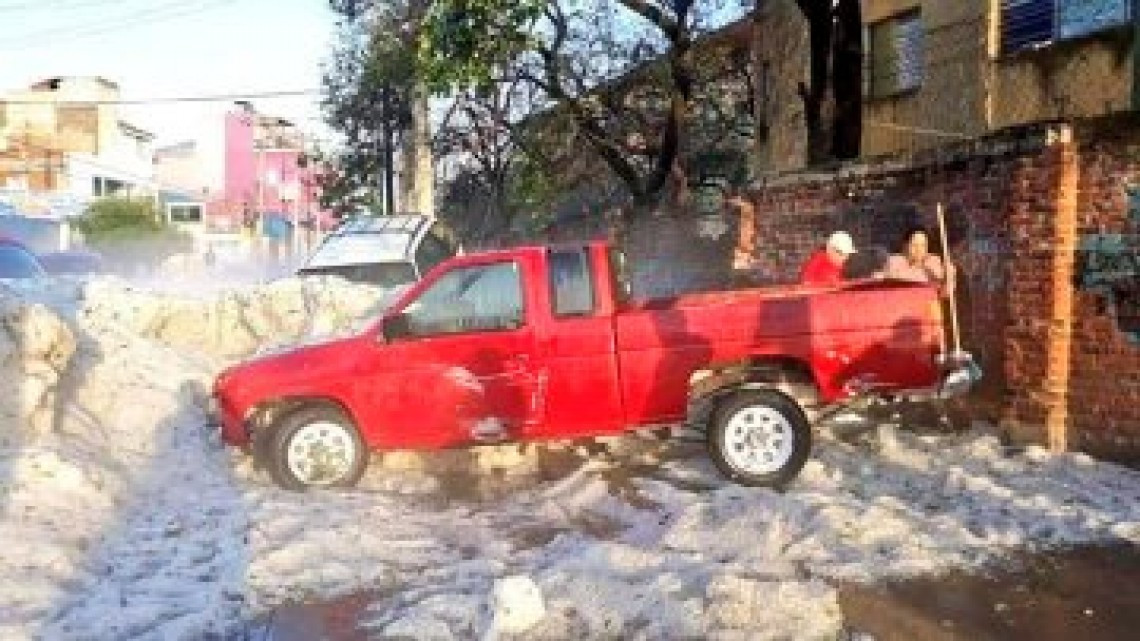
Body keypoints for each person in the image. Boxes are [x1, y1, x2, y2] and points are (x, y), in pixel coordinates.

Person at [882, 226, 955, 296]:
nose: (919, 250)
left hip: (927, 305)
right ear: (905, 246)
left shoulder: (933, 261)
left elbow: (944, 293)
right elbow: (896, 283)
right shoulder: (895, 261)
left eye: (923, 245)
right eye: (914, 245)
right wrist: (919, 268)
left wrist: (948, 278)